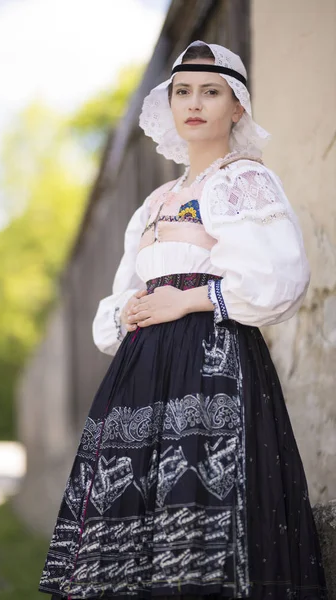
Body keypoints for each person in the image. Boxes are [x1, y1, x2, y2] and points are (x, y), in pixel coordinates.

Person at [39, 41, 328, 600]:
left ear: (236, 106)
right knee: (138, 521)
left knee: (204, 505)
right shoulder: (154, 202)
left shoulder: (242, 181)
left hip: (211, 363)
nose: (194, 103)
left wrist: (188, 301)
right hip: (142, 372)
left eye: (211, 92)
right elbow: (123, 292)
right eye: (183, 92)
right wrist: (127, 311)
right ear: (169, 104)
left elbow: (279, 277)